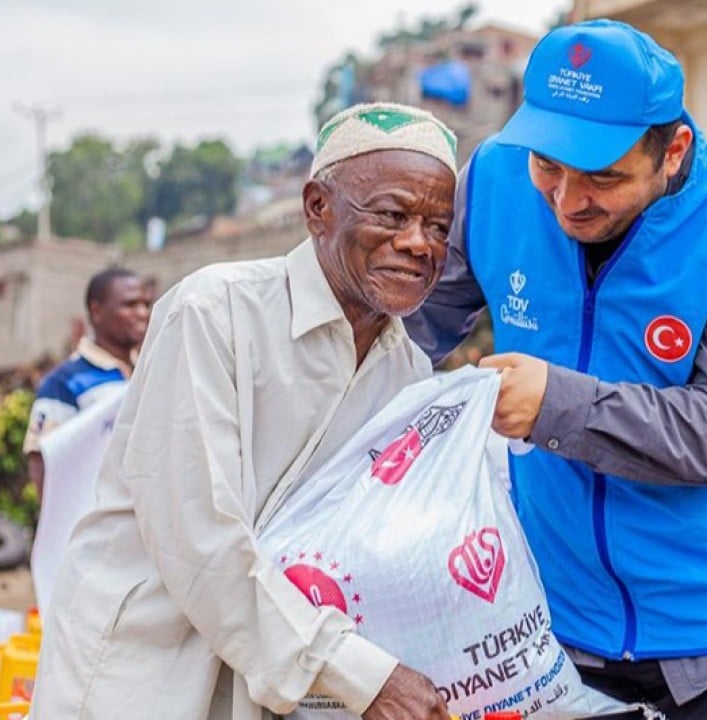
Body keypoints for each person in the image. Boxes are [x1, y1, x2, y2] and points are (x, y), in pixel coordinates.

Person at [405, 19, 707, 719]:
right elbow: (407, 331)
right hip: (559, 629)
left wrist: (555, 405)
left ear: (673, 150)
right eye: (549, 167)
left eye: (603, 176)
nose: (567, 201)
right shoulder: (498, 178)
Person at [31, 103, 458, 720]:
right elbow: (199, 538)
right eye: (393, 214)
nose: (419, 243)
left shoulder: (409, 376)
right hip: (147, 673)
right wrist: (361, 676)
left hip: (282, 685)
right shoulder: (213, 312)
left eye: (439, 227)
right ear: (317, 208)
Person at [23, 266, 151, 497]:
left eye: (146, 304)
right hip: (100, 527)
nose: (142, 313)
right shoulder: (64, 382)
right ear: (96, 311)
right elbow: (42, 465)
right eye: (130, 305)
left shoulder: (150, 370)